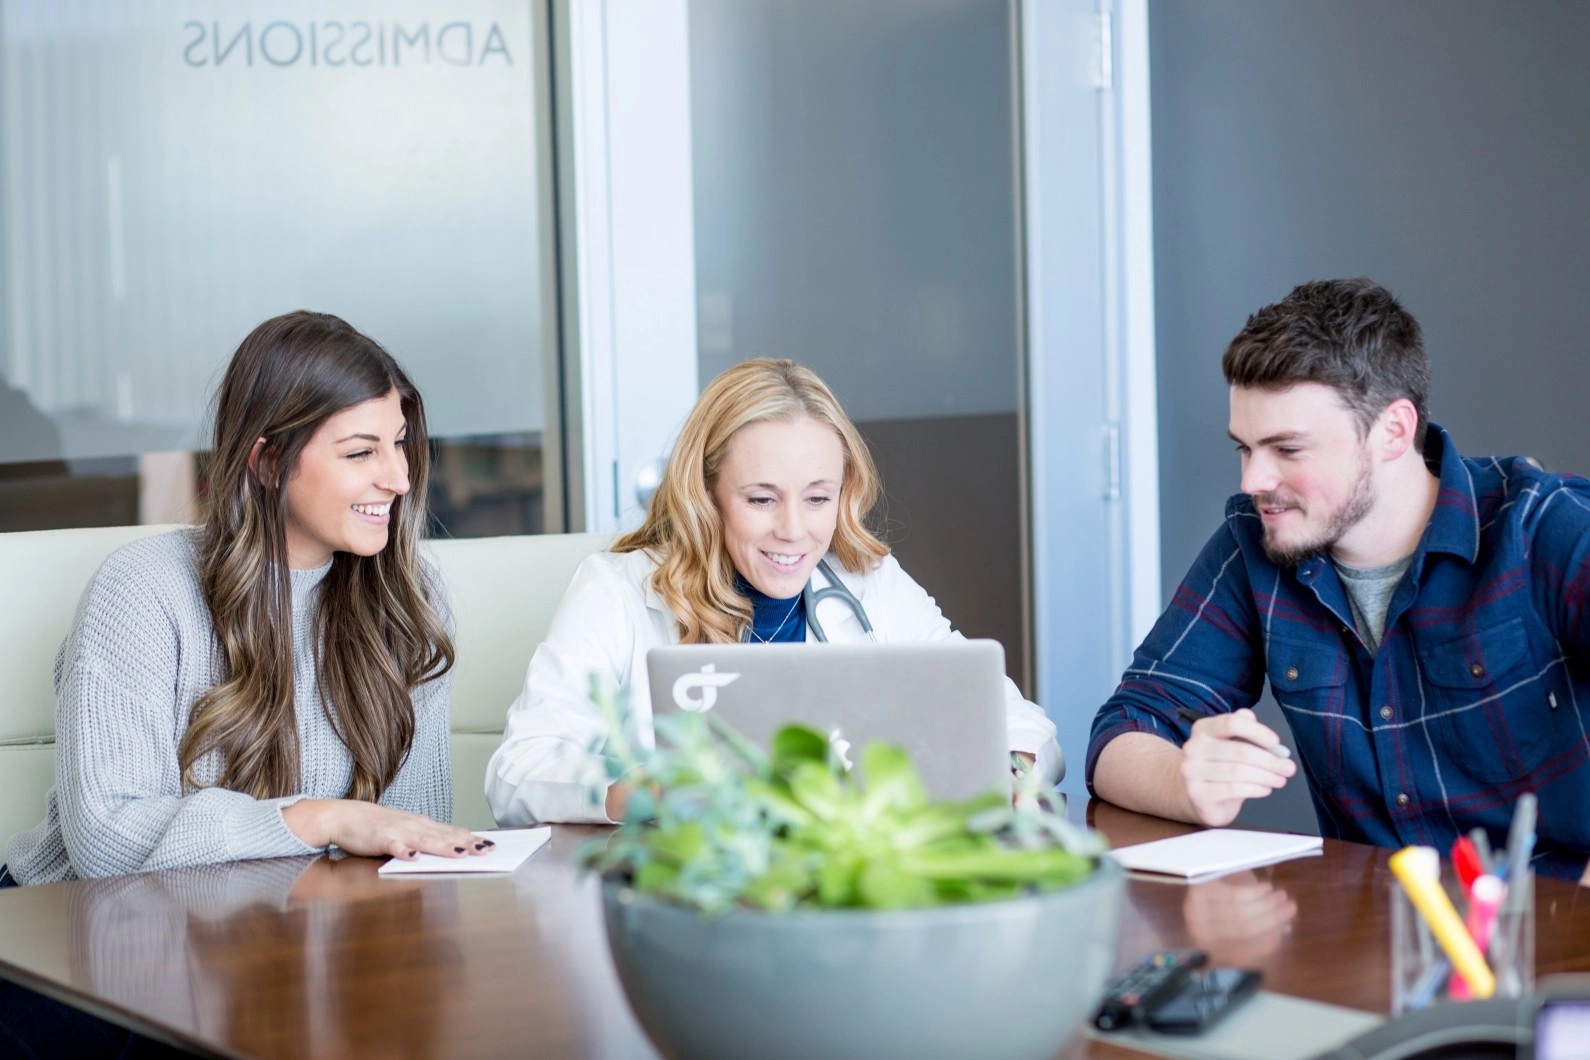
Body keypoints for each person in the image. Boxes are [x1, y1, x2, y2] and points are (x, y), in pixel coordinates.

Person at [1087, 278, 1590, 875]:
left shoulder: (1545, 525)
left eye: (1287, 450)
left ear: (1393, 431)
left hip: (1553, 940)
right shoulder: (1254, 543)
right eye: (1244, 448)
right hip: (1375, 942)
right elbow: (1124, 726)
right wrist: (1183, 780)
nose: (1252, 481)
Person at [487, 358, 1063, 825]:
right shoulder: (615, 591)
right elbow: (517, 772)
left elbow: (1015, 720)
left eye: (817, 498)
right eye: (761, 499)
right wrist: (634, 795)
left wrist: (1014, 769)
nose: (793, 530)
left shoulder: (870, 583)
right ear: (705, 493)